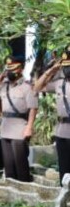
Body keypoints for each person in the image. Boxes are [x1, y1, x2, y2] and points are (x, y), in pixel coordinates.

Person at [0, 56, 37, 182]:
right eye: (8, 69)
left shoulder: (27, 87)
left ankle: (25, 191)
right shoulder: (4, 86)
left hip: (20, 128)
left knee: (20, 164)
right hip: (6, 127)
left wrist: (29, 128)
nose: (10, 72)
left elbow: (33, 108)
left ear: (20, 69)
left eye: (13, 69)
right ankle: (11, 190)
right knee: (8, 165)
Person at [34, 45, 70, 183]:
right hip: (62, 132)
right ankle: (65, 199)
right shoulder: (59, 83)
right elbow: (37, 87)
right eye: (65, 66)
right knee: (64, 169)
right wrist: (51, 70)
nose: (67, 69)